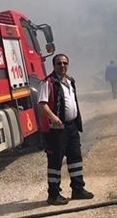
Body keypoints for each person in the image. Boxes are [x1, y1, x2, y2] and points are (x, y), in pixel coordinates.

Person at [38, 53, 94, 205]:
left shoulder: (70, 81)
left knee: (75, 158)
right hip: (56, 129)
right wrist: (53, 118)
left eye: (65, 63)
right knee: (55, 162)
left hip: (71, 127)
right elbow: (42, 104)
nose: (62, 66)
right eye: (59, 63)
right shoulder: (47, 82)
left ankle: (78, 189)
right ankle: (53, 195)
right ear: (53, 65)